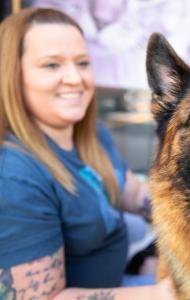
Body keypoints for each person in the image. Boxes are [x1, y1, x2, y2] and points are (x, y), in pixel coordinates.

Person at [0, 7, 176, 300]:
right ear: (12, 77)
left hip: (123, 276)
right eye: (51, 65)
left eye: (82, 63)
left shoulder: (90, 132)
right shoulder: (14, 178)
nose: (74, 78)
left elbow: (129, 191)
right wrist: (164, 294)